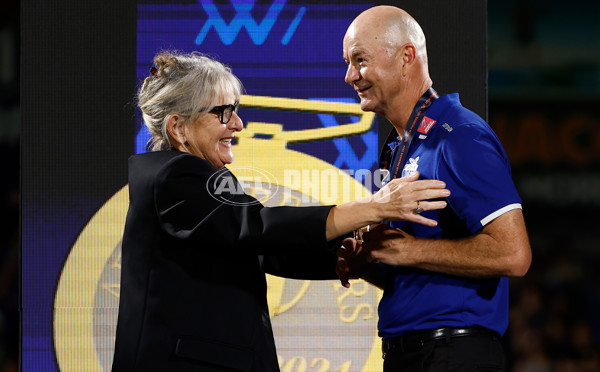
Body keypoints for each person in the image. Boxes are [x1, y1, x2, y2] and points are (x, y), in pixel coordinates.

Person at [111, 51, 451, 372]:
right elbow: (256, 228)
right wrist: (372, 207)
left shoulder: (198, 177)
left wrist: (340, 260)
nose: (239, 124)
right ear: (178, 128)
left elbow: (262, 250)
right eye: (224, 113)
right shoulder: (173, 175)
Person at [337, 6, 532, 372]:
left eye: (360, 60)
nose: (350, 76)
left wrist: (407, 250)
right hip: (410, 352)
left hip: (454, 352)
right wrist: (371, 261)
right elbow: (416, 272)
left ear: (406, 56)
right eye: (348, 62)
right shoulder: (399, 148)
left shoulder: (459, 136)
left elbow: (513, 254)